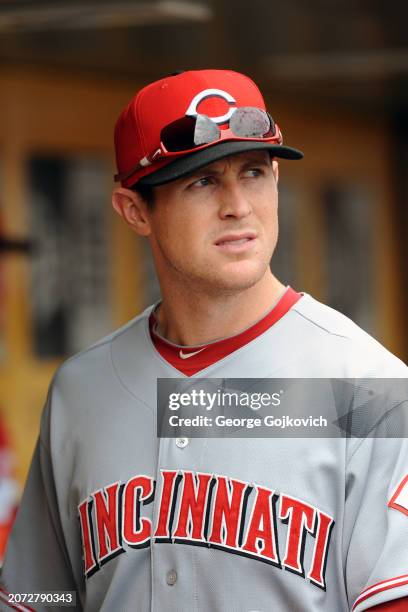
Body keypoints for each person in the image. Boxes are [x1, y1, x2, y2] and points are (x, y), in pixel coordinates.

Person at [1, 69, 407, 612]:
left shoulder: (371, 388)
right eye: (202, 180)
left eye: (255, 172)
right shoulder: (81, 390)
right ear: (134, 210)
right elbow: (37, 597)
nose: (238, 204)